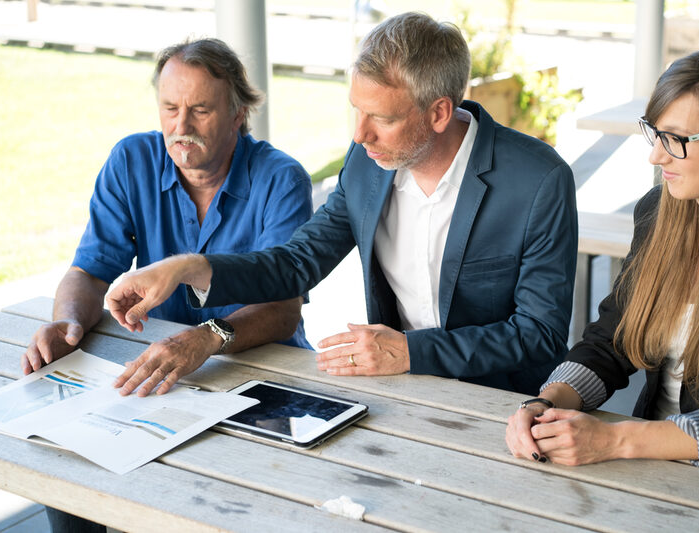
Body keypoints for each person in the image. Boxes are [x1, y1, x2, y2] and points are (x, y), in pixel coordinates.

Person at [106, 12, 578, 395]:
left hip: (502, 403)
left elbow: (539, 334)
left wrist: (412, 352)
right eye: (356, 109)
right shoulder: (368, 162)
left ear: (438, 112)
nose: (359, 134)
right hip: (397, 389)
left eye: (380, 117)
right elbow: (296, 263)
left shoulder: (539, 181)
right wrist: (189, 267)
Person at [506, 44, 699, 467]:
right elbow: (611, 341)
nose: (655, 155)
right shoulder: (660, 212)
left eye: (676, 140)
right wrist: (544, 403)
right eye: (656, 133)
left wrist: (617, 440)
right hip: (647, 464)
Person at [21, 37, 313, 400]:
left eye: (201, 110)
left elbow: (284, 309)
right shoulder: (132, 160)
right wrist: (68, 322)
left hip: (268, 372)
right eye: (170, 108)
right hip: (164, 376)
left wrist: (206, 338)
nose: (181, 125)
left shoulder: (282, 179)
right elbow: (89, 273)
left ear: (238, 114)